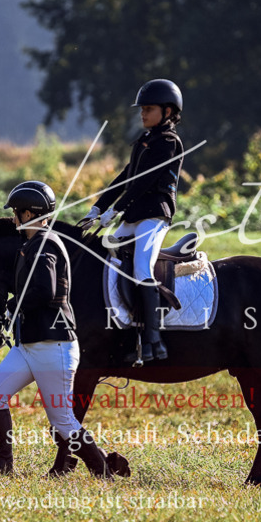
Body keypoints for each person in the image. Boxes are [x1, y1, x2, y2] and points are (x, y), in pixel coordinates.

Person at [0, 181, 122, 479]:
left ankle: (103, 472)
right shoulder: (31, 244)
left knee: (63, 422)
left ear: (28, 213)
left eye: (16, 213)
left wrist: (14, 305)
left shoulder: (45, 245)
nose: (14, 219)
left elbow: (44, 291)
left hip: (52, 346)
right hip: (29, 346)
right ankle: (2, 465)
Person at [79, 79, 185, 362]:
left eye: (148, 109)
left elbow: (145, 181)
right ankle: (124, 330)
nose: (142, 114)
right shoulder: (145, 141)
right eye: (142, 109)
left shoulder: (169, 143)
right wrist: (98, 207)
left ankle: (153, 338)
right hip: (135, 214)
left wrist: (117, 210)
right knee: (108, 260)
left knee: (141, 270)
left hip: (155, 215)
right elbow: (126, 177)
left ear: (167, 111)